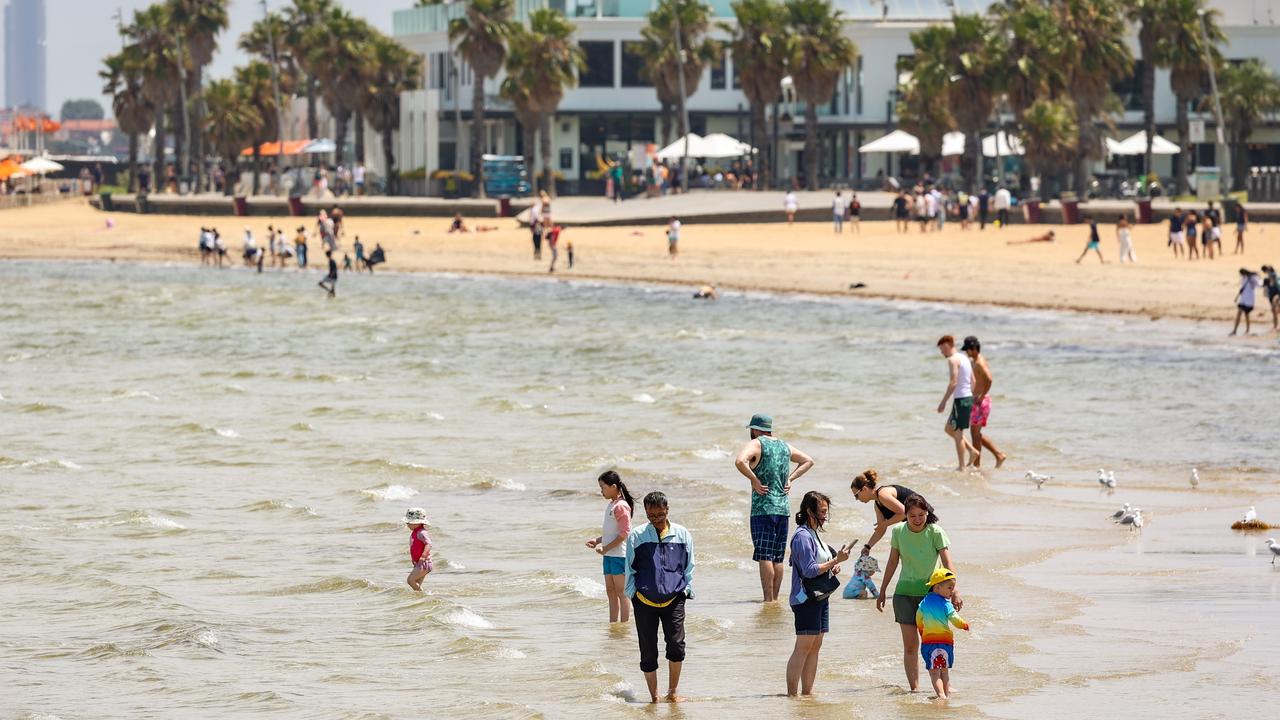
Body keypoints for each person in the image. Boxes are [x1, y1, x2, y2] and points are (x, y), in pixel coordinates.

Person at [876, 495, 961, 693]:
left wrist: (954, 590)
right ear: (905, 515)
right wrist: (882, 590)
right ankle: (914, 689)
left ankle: (944, 685)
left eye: (922, 514)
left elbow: (948, 563)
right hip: (904, 595)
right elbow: (892, 562)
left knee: (936, 643)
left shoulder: (935, 532)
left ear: (927, 513)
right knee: (910, 647)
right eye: (912, 515)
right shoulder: (898, 531)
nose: (917, 519)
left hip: (932, 596)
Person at [735, 414, 815, 603]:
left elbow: (740, 461)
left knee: (764, 555)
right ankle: (775, 599)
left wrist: (754, 480)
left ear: (754, 429)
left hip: (762, 509)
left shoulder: (757, 444)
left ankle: (767, 599)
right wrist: (790, 478)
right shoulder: (784, 446)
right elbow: (808, 460)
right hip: (782, 509)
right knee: (778, 557)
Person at [624, 491, 694, 704]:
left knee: (676, 645)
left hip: (674, 600)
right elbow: (629, 569)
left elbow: (689, 566)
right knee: (647, 650)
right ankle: (654, 697)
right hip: (644, 601)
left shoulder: (682, 534)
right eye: (651, 516)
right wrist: (632, 595)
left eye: (660, 515)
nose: (656, 520)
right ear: (646, 513)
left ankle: (672, 692)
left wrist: (686, 590)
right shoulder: (637, 536)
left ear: (667, 510)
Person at [786, 491, 852, 697]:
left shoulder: (814, 534)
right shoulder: (802, 536)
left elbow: (820, 565)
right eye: (822, 511)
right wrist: (835, 561)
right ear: (809, 511)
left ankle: (807, 694)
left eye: (826, 511)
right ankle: (791, 695)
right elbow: (809, 570)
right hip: (805, 599)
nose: (825, 515)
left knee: (815, 647)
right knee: (803, 647)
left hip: (821, 597)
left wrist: (833, 566)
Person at [586, 470, 635, 624]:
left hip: (619, 555)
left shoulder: (621, 506)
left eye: (603, 487)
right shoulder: (612, 505)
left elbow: (624, 534)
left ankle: (624, 625)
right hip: (609, 555)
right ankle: (613, 624)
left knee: (621, 593)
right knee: (610, 591)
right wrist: (598, 540)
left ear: (613, 486)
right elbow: (611, 533)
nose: (601, 491)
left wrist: (606, 548)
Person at [917, 567, 970, 701]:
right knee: (944, 671)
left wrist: (922, 631)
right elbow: (955, 619)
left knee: (934, 673)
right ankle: (945, 696)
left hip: (928, 643)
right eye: (950, 588)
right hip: (945, 643)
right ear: (937, 587)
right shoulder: (946, 605)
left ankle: (941, 696)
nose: (952, 592)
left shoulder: (923, 603)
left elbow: (918, 619)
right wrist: (964, 625)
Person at [850, 468, 918, 557]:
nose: (857, 499)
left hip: (923, 519)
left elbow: (904, 512)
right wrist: (868, 547)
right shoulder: (877, 505)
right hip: (915, 525)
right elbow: (880, 529)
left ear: (864, 489)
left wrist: (885, 524)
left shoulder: (883, 494)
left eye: (856, 495)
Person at [962, 336, 1007, 468]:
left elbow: (989, 378)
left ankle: (977, 466)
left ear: (974, 349)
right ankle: (998, 455)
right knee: (976, 434)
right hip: (976, 401)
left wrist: (982, 395)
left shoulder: (980, 362)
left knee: (975, 435)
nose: (966, 352)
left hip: (980, 402)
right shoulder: (975, 361)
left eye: (968, 350)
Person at [936, 335, 978, 470]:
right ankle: (972, 451)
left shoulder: (953, 360)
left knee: (957, 433)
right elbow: (973, 381)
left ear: (947, 345)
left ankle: (961, 467)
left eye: (942, 349)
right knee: (949, 429)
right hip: (966, 398)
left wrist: (943, 402)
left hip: (961, 400)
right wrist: (969, 395)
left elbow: (953, 382)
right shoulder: (964, 357)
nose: (942, 352)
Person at [403, 507, 433, 591]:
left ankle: (424, 595)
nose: (407, 524)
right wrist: (414, 559)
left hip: (424, 563)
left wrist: (423, 556)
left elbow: (429, 544)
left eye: (409, 522)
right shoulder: (415, 532)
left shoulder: (422, 533)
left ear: (418, 523)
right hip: (419, 563)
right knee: (416, 585)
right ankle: (421, 598)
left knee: (410, 580)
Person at [1232, 267, 1261, 336]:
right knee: (1239, 314)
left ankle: (1247, 330)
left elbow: (1258, 285)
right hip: (1243, 299)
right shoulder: (1244, 278)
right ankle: (1235, 330)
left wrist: (1252, 279)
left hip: (1249, 300)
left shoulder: (1253, 278)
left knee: (1246, 315)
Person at [1262, 265, 1280, 331]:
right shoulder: (1270, 276)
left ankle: (1275, 326)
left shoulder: (1273, 275)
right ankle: (1275, 326)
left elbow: (1273, 284)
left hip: (1276, 293)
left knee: (1274, 309)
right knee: (1274, 310)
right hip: (1272, 294)